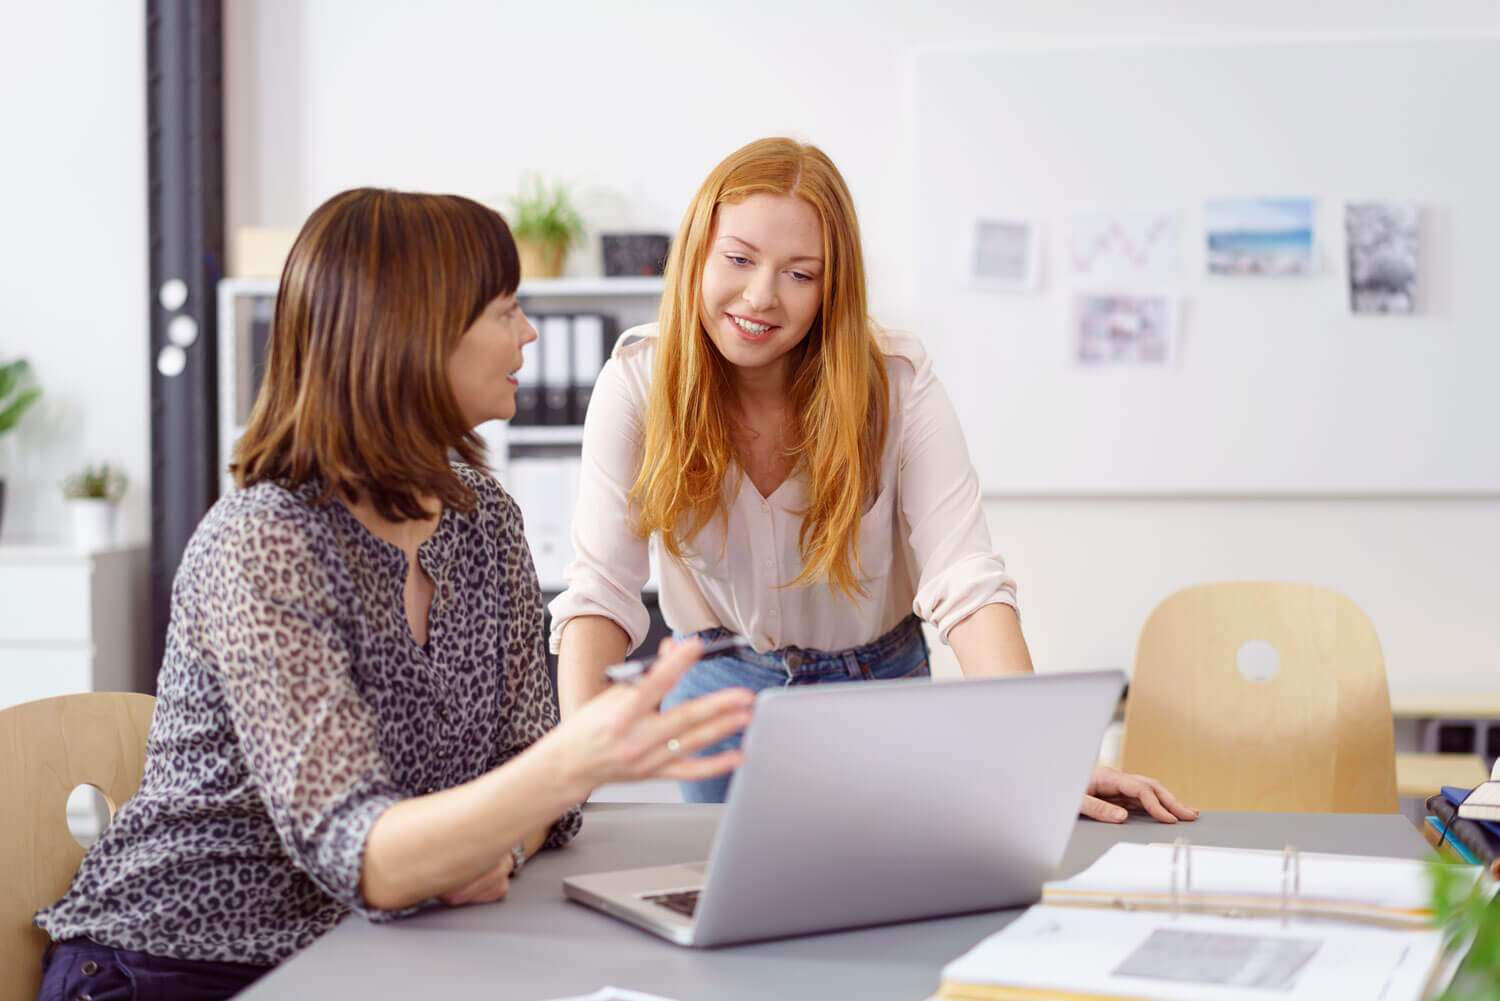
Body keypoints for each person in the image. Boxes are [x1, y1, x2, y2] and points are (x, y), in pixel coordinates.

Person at [32, 189, 753, 1001]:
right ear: (412, 332)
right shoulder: (263, 543)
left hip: (372, 953)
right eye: (506, 309)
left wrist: (496, 846)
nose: (530, 333)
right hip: (179, 969)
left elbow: (523, 772)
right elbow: (364, 853)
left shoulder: (484, 524)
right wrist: (571, 763)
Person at [550, 138, 1195, 821]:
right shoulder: (637, 384)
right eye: (738, 258)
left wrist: (1042, 760)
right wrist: (567, 778)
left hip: (878, 684)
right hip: (720, 691)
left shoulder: (896, 384)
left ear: (834, 287)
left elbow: (966, 578)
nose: (761, 296)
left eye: (801, 274)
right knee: (718, 907)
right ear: (698, 252)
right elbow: (601, 589)